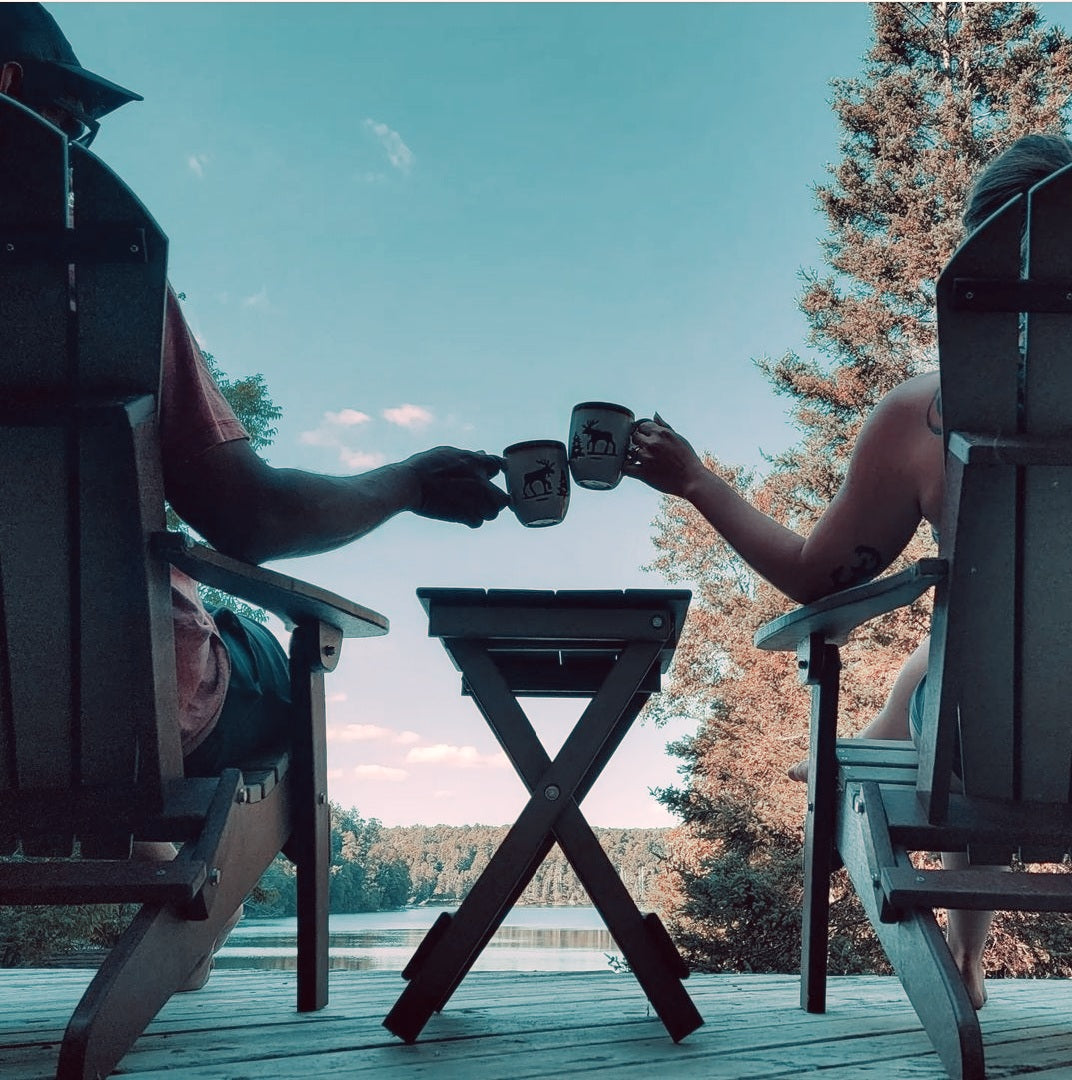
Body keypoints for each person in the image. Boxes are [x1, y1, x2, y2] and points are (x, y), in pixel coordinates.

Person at [0, 3, 510, 989]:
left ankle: (168, 936)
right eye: (73, 117)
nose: (78, 144)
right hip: (116, 718)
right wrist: (404, 481)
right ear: (13, 93)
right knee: (284, 663)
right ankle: (183, 948)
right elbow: (250, 517)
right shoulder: (96, 277)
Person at [625, 131, 1072, 1013]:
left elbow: (813, 577)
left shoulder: (925, 415)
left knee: (982, 661)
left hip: (992, 745)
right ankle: (950, 909)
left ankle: (871, 758)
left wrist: (696, 481)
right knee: (994, 647)